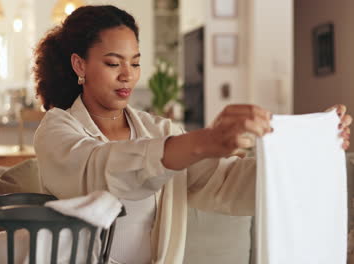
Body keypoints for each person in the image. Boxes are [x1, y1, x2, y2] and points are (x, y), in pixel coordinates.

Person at [32, 5, 352, 264]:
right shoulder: (58, 129)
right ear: (80, 65)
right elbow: (101, 169)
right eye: (113, 63)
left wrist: (315, 149)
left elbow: (224, 182)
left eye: (136, 62)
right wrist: (206, 140)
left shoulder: (160, 130)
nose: (128, 74)